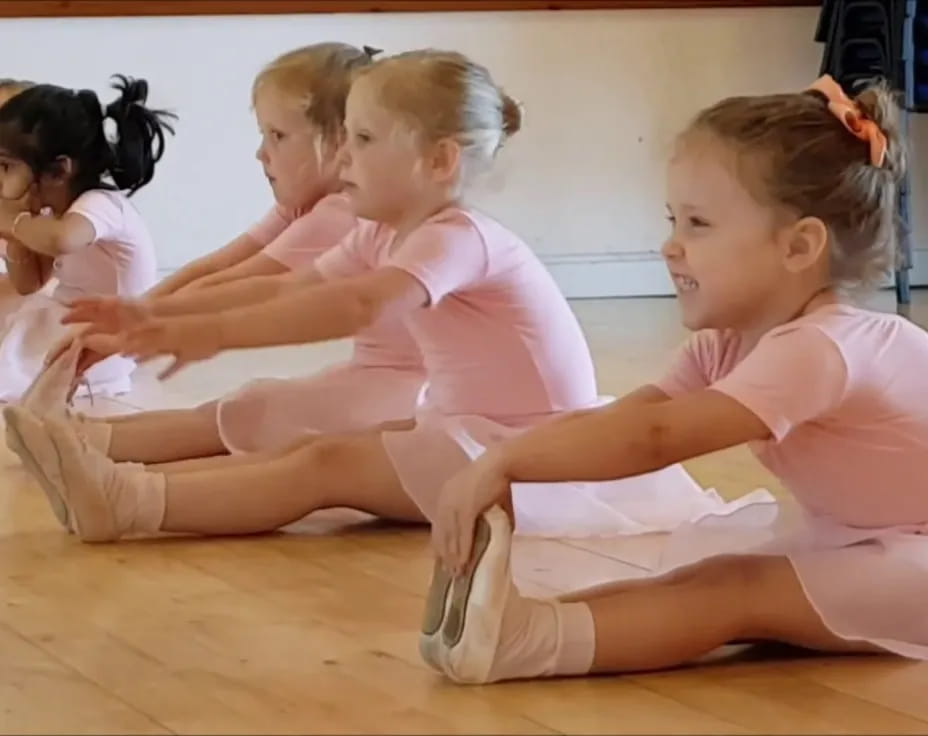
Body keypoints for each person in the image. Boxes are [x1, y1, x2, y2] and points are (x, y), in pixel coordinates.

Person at [419, 75, 928, 686]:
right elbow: (628, 419)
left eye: (698, 224)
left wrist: (503, 462)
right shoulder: (726, 344)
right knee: (709, 572)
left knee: (733, 588)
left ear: (798, 247)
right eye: (672, 220)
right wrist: (508, 457)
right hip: (861, 534)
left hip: (912, 547)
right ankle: (539, 627)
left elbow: (656, 437)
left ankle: (536, 642)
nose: (669, 246)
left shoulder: (823, 346)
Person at [7, 49, 617, 544]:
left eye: (365, 139)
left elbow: (357, 305)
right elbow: (288, 284)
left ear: (438, 160)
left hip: (529, 459)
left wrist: (208, 332)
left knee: (320, 466)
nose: (343, 155)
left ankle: (126, 500)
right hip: (471, 431)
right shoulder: (382, 230)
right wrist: (154, 314)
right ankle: (108, 475)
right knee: (310, 449)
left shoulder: (460, 239)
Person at [41, 43, 426, 467]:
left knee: (255, 412)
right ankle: (72, 441)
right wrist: (130, 314)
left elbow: (245, 284)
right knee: (244, 409)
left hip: (418, 392)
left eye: (277, 136)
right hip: (382, 374)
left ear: (339, 142)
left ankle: (87, 457)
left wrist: (138, 327)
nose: (261, 153)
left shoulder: (341, 213)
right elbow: (216, 266)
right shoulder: (306, 206)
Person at [0, 75, 173, 403]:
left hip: (106, 335)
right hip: (64, 315)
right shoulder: (51, 211)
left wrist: (12, 220)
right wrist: (16, 236)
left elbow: (62, 240)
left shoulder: (100, 204)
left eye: (6, 167)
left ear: (58, 170)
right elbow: (28, 283)